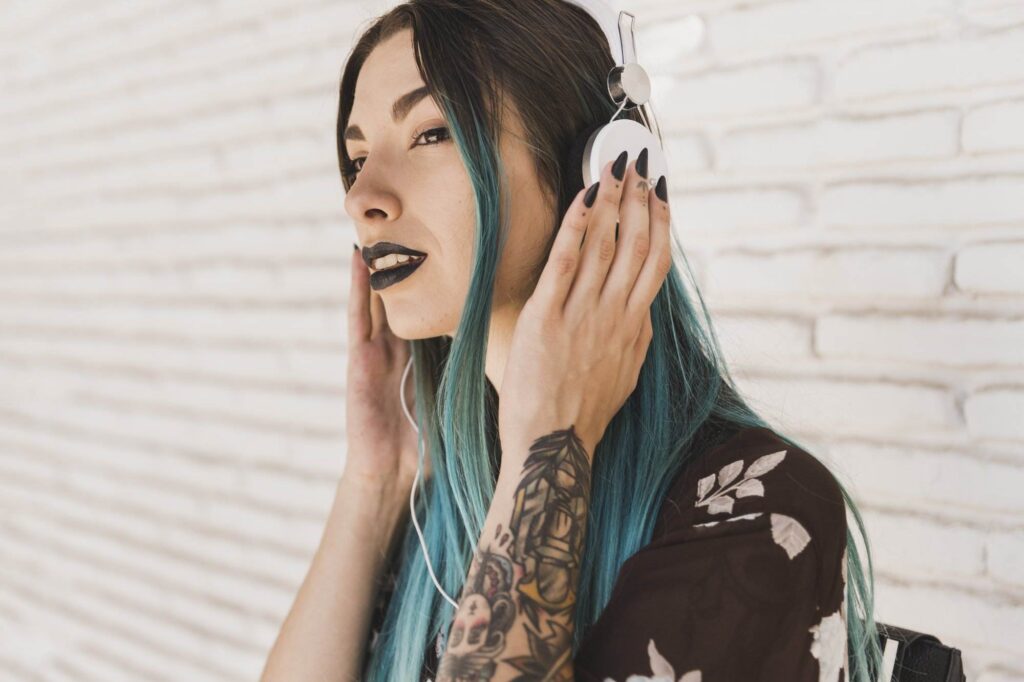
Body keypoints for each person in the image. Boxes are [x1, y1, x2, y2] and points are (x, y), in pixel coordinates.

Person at [260, 1, 884, 681]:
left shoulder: (761, 509)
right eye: (356, 158)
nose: (363, 198)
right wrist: (376, 479)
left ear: (606, 170)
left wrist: (550, 440)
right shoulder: (444, 501)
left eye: (432, 133)